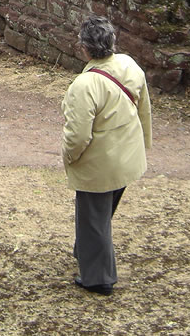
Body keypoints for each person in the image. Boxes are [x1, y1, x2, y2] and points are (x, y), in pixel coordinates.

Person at [61, 16, 152, 296]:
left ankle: (99, 278)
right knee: (100, 215)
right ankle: (87, 251)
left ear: (84, 48)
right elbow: (144, 110)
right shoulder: (129, 65)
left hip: (101, 164)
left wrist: (69, 157)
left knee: (94, 218)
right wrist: (144, 146)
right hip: (127, 154)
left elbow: (78, 135)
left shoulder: (84, 85)